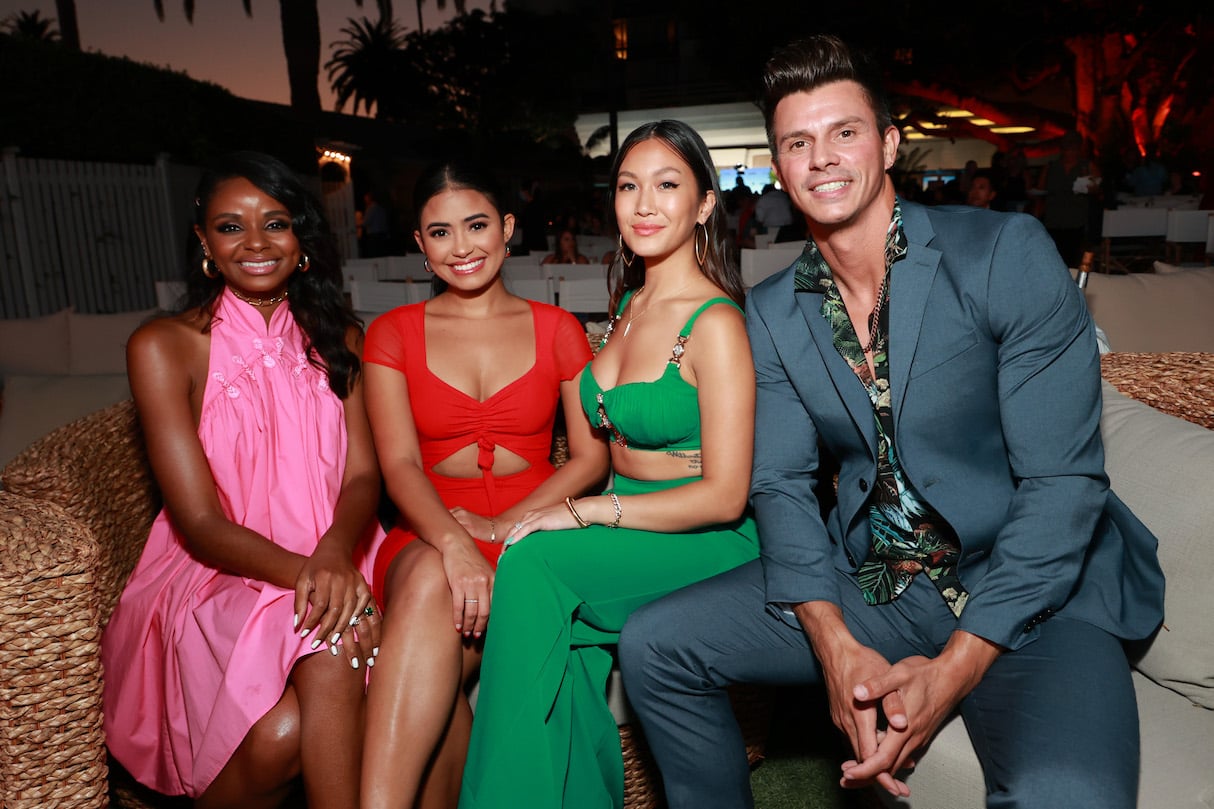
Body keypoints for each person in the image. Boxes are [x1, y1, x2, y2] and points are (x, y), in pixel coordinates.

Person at [619, 35, 1165, 809]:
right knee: (656, 645)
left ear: (890, 143)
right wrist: (833, 641)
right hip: (880, 581)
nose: (823, 158)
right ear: (778, 165)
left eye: (845, 132)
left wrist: (954, 668)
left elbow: (1062, 484)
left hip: (1035, 585)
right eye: (797, 143)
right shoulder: (771, 312)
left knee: (1067, 792)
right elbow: (777, 482)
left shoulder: (1003, 253)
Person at [457, 119, 760, 809]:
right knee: (561, 654)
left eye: (667, 184)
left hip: (703, 540)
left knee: (531, 563)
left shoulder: (715, 323)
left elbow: (725, 495)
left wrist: (589, 508)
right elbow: (608, 434)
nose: (644, 204)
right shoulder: (627, 302)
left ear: (706, 204)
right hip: (628, 529)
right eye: (628, 185)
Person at [102, 150, 385, 807]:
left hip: (339, 546)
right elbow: (199, 524)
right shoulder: (163, 346)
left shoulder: (340, 337)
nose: (255, 242)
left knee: (286, 730)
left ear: (303, 238)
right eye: (231, 226)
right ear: (203, 242)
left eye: (275, 222)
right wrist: (317, 576)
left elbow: (363, 474)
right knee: (334, 629)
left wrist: (337, 557)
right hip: (219, 570)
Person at [359, 159, 609, 809]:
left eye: (476, 225)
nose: (462, 247)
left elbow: (588, 459)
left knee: (432, 654)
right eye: (440, 233)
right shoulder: (390, 334)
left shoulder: (559, 329)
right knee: (424, 580)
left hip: (535, 527)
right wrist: (455, 543)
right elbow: (400, 467)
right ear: (418, 244)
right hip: (427, 522)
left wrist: (501, 529)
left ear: (507, 227)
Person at [1037, 130, 1102, 267]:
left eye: (1074, 148)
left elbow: (1098, 189)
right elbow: (1041, 189)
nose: (1070, 152)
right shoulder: (1051, 166)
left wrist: (1090, 188)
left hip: (1076, 220)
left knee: (1074, 259)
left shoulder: (1087, 166)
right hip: (1053, 219)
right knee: (1054, 258)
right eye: (1067, 147)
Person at [361, 190, 392, 257]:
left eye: (366, 199)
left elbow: (366, 222)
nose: (365, 201)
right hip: (382, 235)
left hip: (374, 236)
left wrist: (359, 223)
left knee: (375, 254)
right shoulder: (381, 208)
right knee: (381, 254)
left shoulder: (371, 209)